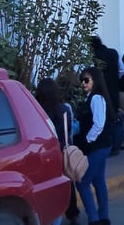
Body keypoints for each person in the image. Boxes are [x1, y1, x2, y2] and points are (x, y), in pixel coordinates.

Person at [36, 78, 79, 225]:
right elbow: (70, 131)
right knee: (68, 184)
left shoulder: (37, 111)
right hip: (64, 150)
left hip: (46, 153)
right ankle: (72, 214)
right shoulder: (65, 109)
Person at [75, 67, 113, 225]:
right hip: (99, 145)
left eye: (86, 80)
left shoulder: (96, 98)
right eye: (82, 80)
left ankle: (94, 219)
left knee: (82, 182)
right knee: (98, 181)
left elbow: (98, 124)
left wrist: (87, 141)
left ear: (95, 81)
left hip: (98, 146)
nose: (83, 83)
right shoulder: (91, 97)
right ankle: (103, 217)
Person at [90, 36, 124, 155]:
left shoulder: (93, 57)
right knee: (114, 116)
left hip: (100, 91)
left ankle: (107, 144)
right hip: (114, 89)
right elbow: (121, 70)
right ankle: (117, 144)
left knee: (101, 119)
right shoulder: (114, 53)